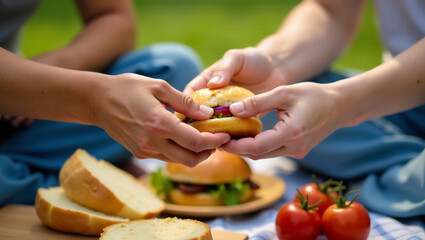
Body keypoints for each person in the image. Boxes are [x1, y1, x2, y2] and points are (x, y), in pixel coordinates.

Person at [185, 0, 425, 217]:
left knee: (293, 117)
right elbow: (330, 11)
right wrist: (276, 64)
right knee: (275, 107)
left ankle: (397, 175)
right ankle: (403, 176)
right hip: (394, 91)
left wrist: (342, 104)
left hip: (386, 90)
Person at [0, 0, 229, 206]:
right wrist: (93, 101)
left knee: (175, 67)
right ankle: (86, 180)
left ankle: (61, 175)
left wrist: (53, 67)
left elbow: (113, 17)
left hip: (23, 110)